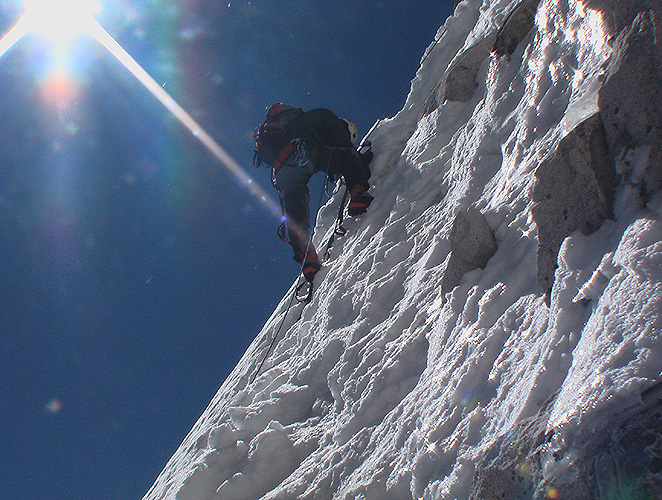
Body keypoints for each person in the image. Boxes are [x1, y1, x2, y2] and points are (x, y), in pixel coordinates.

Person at [254, 103, 374, 282]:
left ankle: (306, 257)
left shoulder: (291, 126)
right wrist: (357, 161)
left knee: (296, 213)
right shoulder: (323, 115)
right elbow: (341, 143)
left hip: (282, 169)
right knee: (347, 157)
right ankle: (357, 194)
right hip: (304, 151)